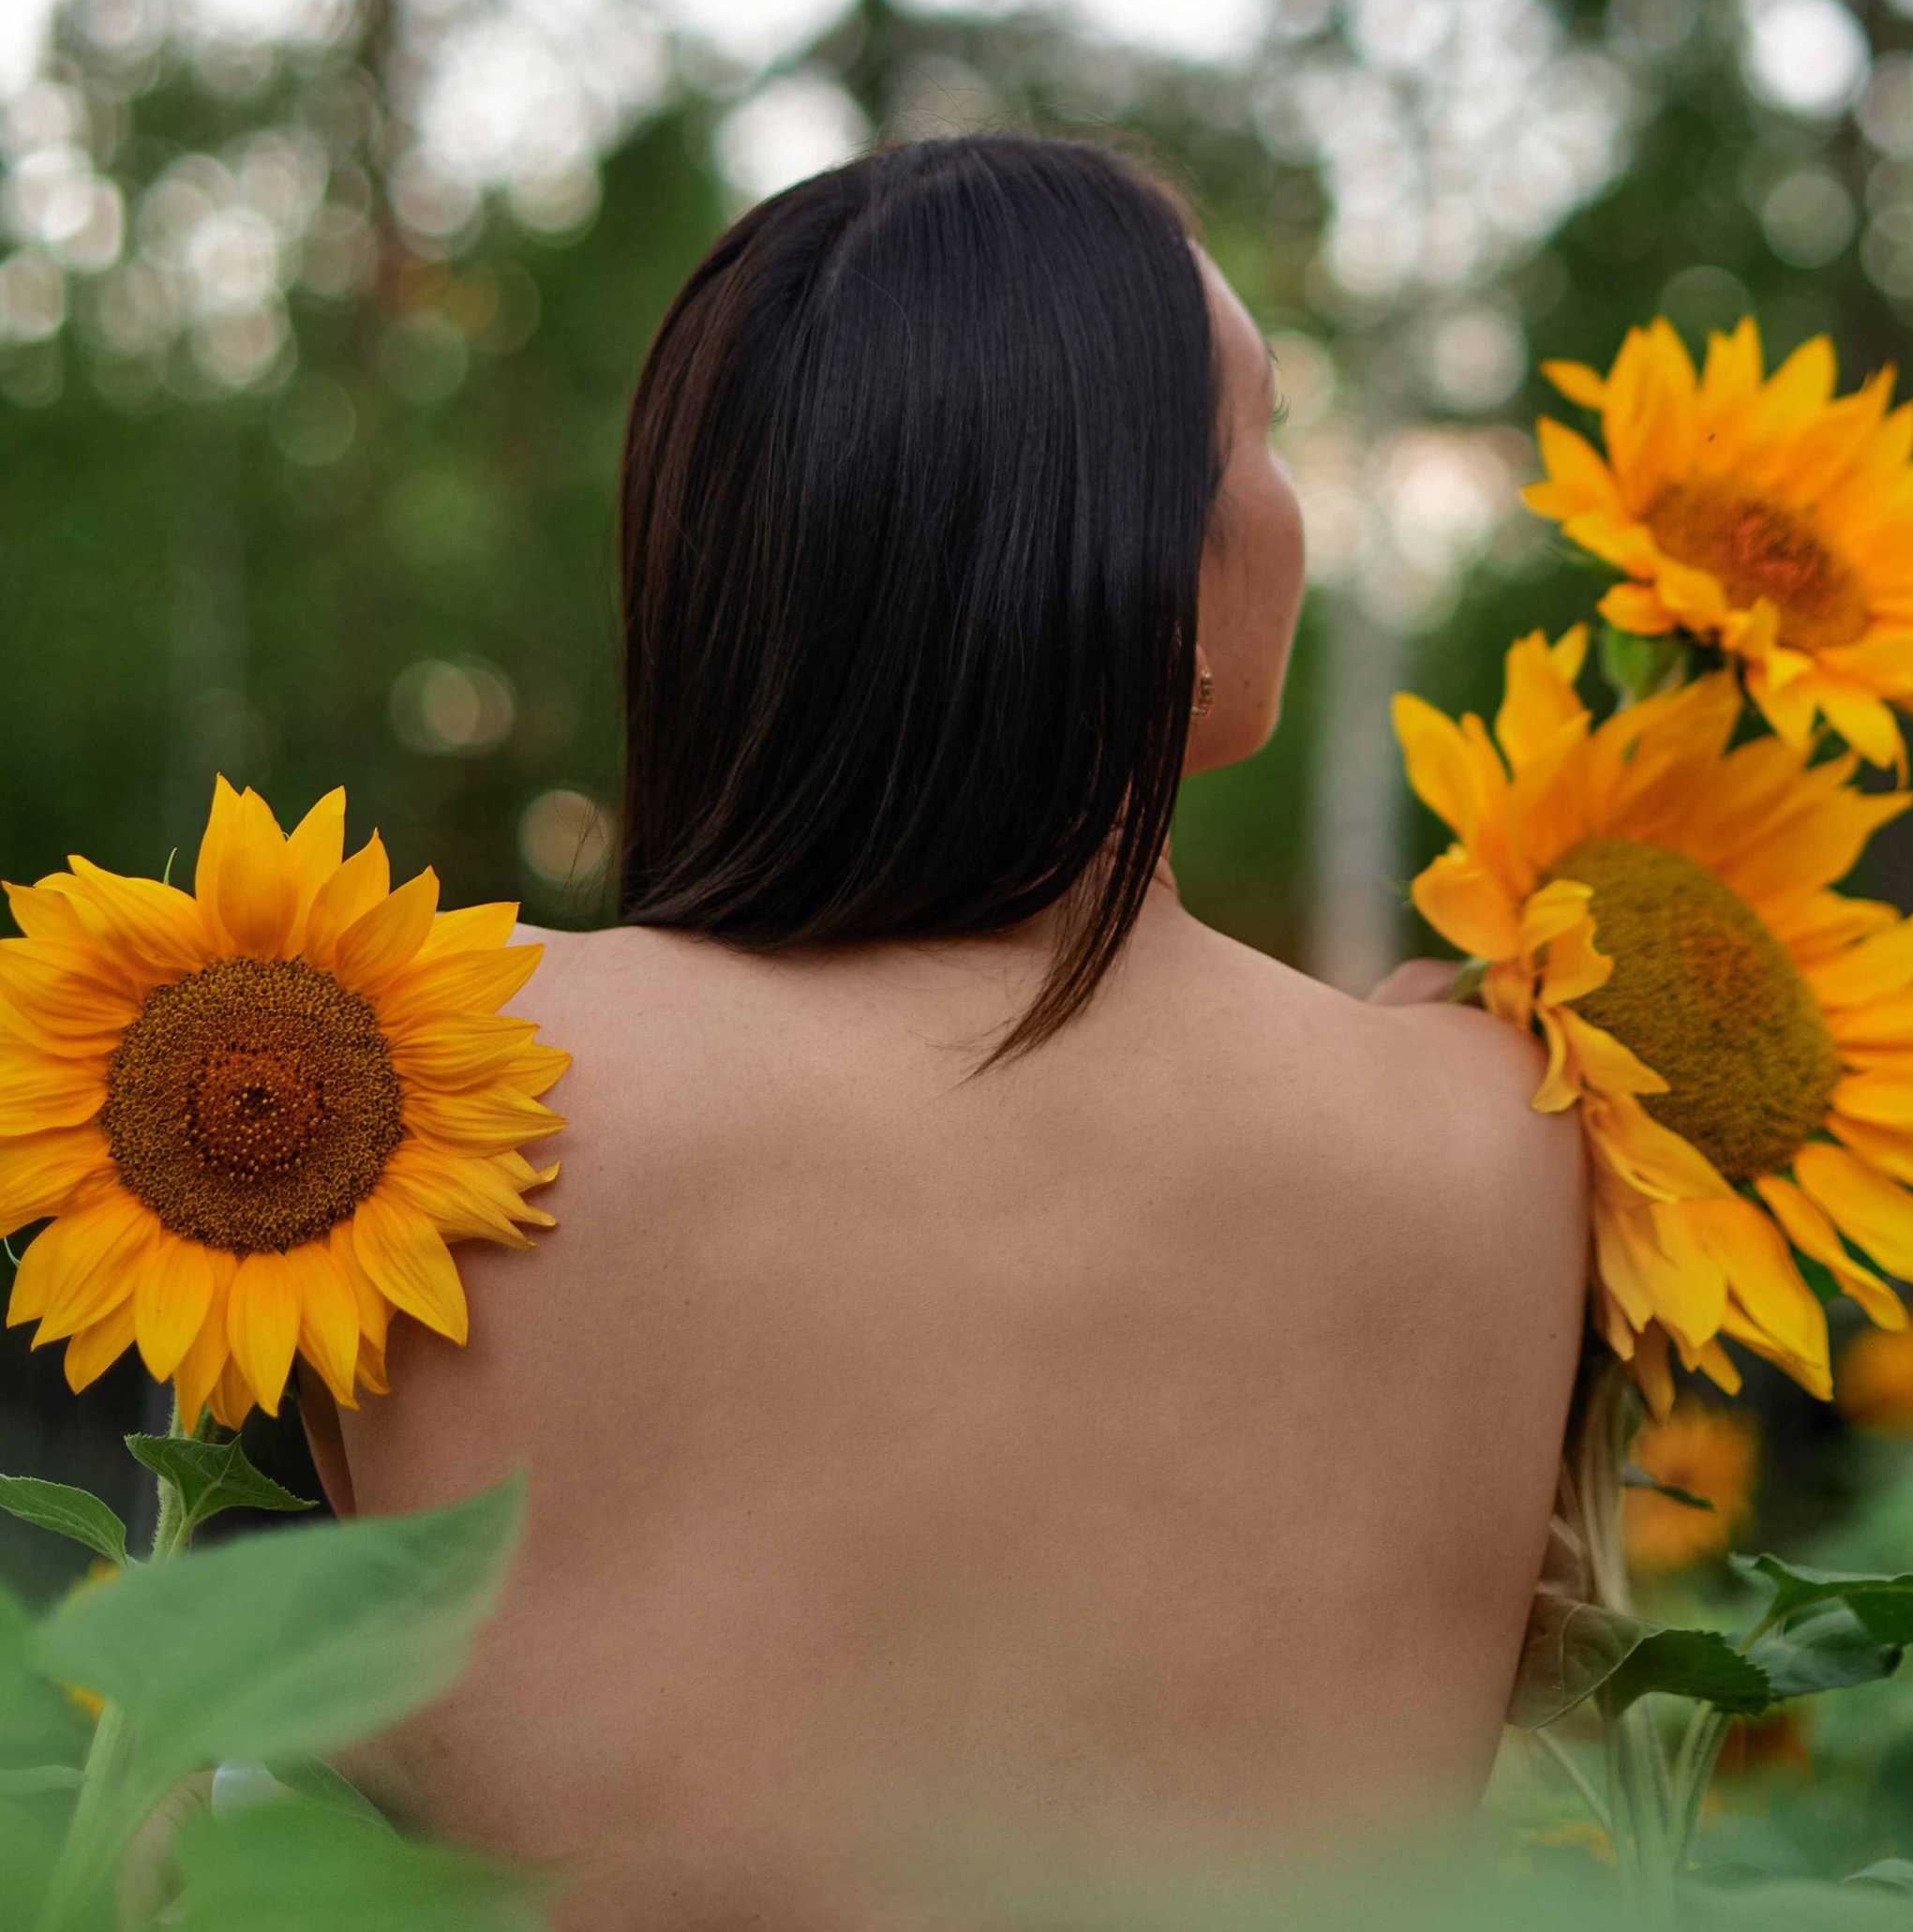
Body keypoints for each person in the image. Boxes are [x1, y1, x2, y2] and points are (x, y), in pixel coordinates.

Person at [305, 136, 1587, 1931]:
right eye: (1265, 433)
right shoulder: (1498, 1125)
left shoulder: (415, 1057)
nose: (1292, 503)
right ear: (1139, 556)